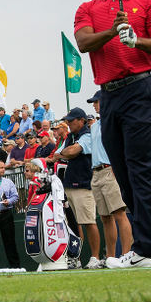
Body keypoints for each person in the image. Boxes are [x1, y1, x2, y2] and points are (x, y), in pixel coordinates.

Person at [73, 0, 151, 268]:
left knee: (140, 170)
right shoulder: (88, 7)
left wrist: (135, 40)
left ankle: (145, 250)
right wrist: (112, 32)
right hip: (109, 96)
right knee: (123, 173)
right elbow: (83, 42)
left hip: (139, 88)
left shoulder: (148, 2)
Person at [50, 107, 101, 268]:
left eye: (71, 121)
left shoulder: (86, 134)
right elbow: (57, 154)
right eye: (68, 121)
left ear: (81, 121)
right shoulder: (71, 136)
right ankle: (76, 258)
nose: (69, 123)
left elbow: (72, 152)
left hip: (84, 184)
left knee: (88, 222)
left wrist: (66, 152)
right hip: (69, 184)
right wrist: (67, 152)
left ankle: (95, 257)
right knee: (72, 225)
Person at [87, 91, 134, 265]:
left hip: (110, 170)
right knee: (105, 218)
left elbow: (123, 144)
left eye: (96, 102)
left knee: (119, 214)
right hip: (96, 173)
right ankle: (111, 257)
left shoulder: (115, 120)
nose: (94, 105)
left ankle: (127, 255)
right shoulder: (94, 126)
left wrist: (118, 165)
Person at [0, 161, 21, 268]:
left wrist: (9, 201)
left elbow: (15, 197)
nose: (3, 169)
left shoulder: (8, 182)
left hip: (6, 214)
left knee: (10, 242)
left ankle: (15, 266)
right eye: (1, 168)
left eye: (4, 167)